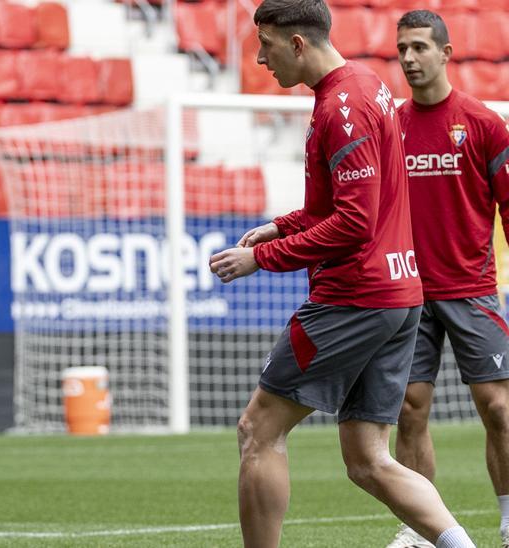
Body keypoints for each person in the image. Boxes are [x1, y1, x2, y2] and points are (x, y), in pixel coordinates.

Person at [208, 1, 473, 546]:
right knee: (368, 458)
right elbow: (345, 204)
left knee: (259, 429)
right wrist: (280, 228)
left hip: (354, 297)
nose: (260, 59)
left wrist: (262, 259)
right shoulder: (368, 85)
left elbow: (353, 223)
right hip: (400, 295)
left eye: (267, 45)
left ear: (298, 44)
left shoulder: (341, 106)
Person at [386, 10, 509, 548]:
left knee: (500, 408)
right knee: (410, 411)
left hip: (473, 289)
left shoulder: (484, 124)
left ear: (445, 52)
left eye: (418, 48)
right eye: (401, 49)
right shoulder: (391, 125)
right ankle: (420, 531)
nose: (409, 58)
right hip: (410, 292)